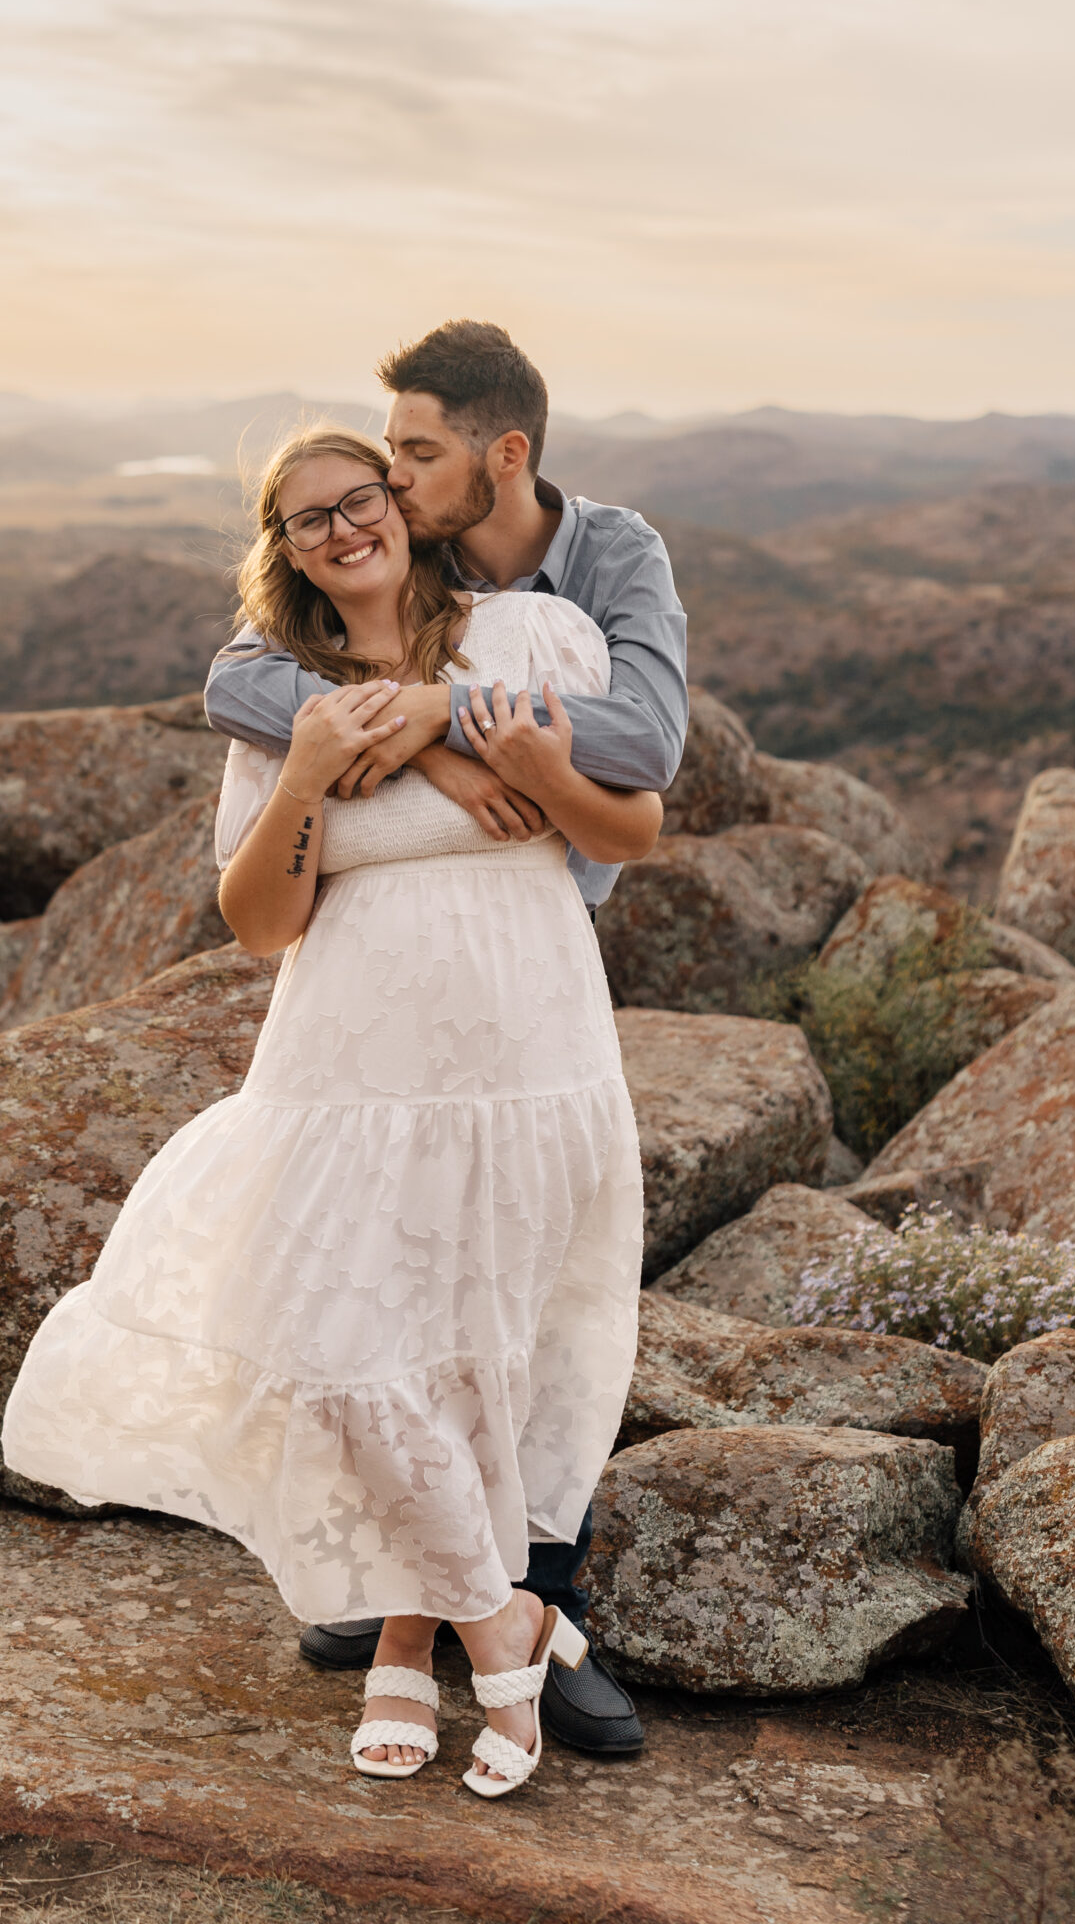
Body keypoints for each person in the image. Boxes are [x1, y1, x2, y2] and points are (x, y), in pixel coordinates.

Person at [3, 421, 659, 1797]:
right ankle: (512, 1624)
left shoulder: (536, 643)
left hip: (522, 1056)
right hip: (350, 1072)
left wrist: (505, 761)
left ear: (404, 509)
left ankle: (403, 1653)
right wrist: (307, 771)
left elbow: (625, 829)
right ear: (286, 550)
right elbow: (259, 920)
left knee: (481, 1349)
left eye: (360, 499)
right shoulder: (285, 699)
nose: (343, 529)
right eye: (309, 520)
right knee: (352, 1350)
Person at [204, 319, 689, 1760]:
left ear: (503, 456)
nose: (385, 500)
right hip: (361, 1050)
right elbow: (241, 691)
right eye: (346, 496)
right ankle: (481, 1618)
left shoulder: (591, 576)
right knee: (355, 1316)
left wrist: (475, 727)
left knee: (517, 1317)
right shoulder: (295, 654)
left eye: (406, 465)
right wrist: (400, 738)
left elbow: (645, 756)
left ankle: (515, 1601)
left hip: (524, 1008)